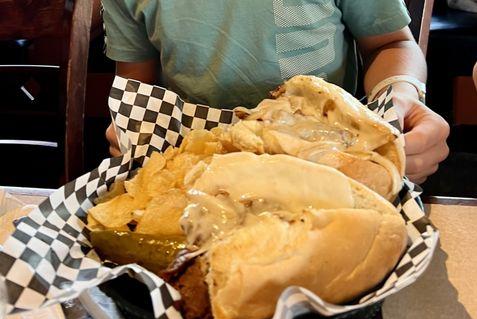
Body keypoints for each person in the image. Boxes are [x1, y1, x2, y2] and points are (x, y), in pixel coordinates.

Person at [101, 0, 449, 184]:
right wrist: (130, 131)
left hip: (332, 166)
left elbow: (392, 43)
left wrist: (400, 95)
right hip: (197, 173)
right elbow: (138, 88)